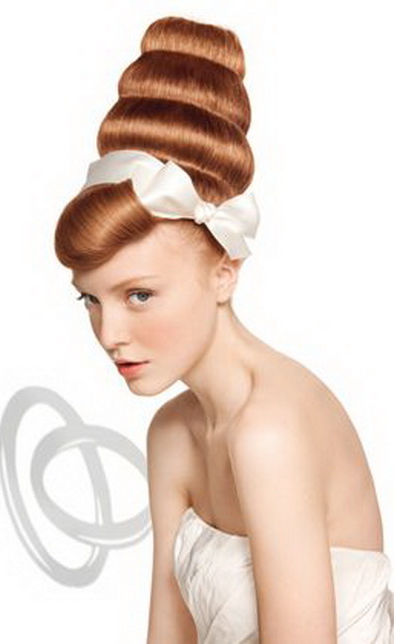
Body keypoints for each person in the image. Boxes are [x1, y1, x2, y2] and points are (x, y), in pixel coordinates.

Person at [54, 14, 394, 643]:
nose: (109, 333)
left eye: (139, 295)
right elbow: (168, 631)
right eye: (91, 300)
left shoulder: (269, 431)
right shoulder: (171, 433)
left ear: (224, 274)